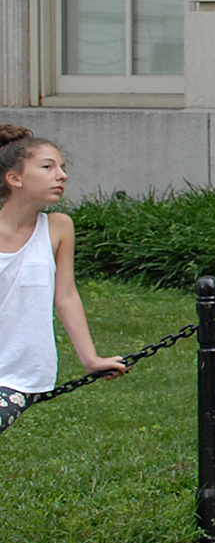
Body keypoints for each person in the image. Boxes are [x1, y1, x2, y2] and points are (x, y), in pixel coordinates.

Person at [0, 127, 127, 418]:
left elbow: (66, 296)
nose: (62, 175)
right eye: (48, 167)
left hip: (20, 375)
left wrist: (91, 359)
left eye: (62, 167)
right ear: (14, 178)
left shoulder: (58, 227)